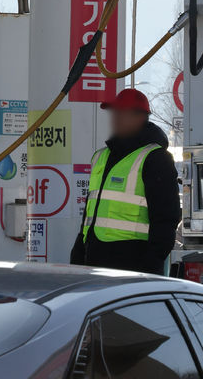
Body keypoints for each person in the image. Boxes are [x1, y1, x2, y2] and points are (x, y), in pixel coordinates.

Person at [70, 88, 180, 275]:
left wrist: (152, 265)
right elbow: (91, 213)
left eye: (122, 113)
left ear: (140, 117)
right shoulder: (101, 156)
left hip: (134, 263)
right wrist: (79, 251)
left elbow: (166, 218)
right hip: (94, 260)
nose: (115, 118)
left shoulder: (155, 158)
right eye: (114, 113)